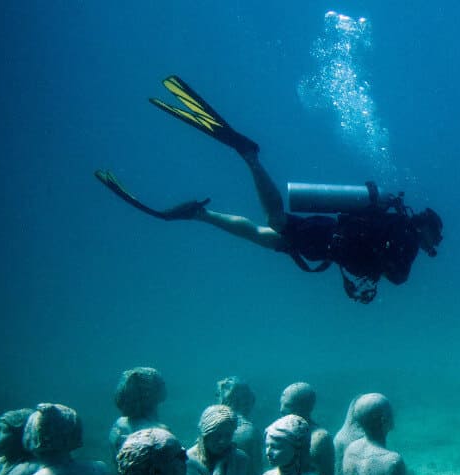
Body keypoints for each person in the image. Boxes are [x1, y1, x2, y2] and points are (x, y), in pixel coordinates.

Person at [96, 76, 442, 304]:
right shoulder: (407, 238)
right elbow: (399, 277)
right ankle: (250, 158)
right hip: (326, 238)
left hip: (327, 241)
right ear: (426, 228)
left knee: (267, 237)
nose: (432, 247)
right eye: (433, 239)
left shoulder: (397, 225)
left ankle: (201, 214)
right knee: (275, 222)